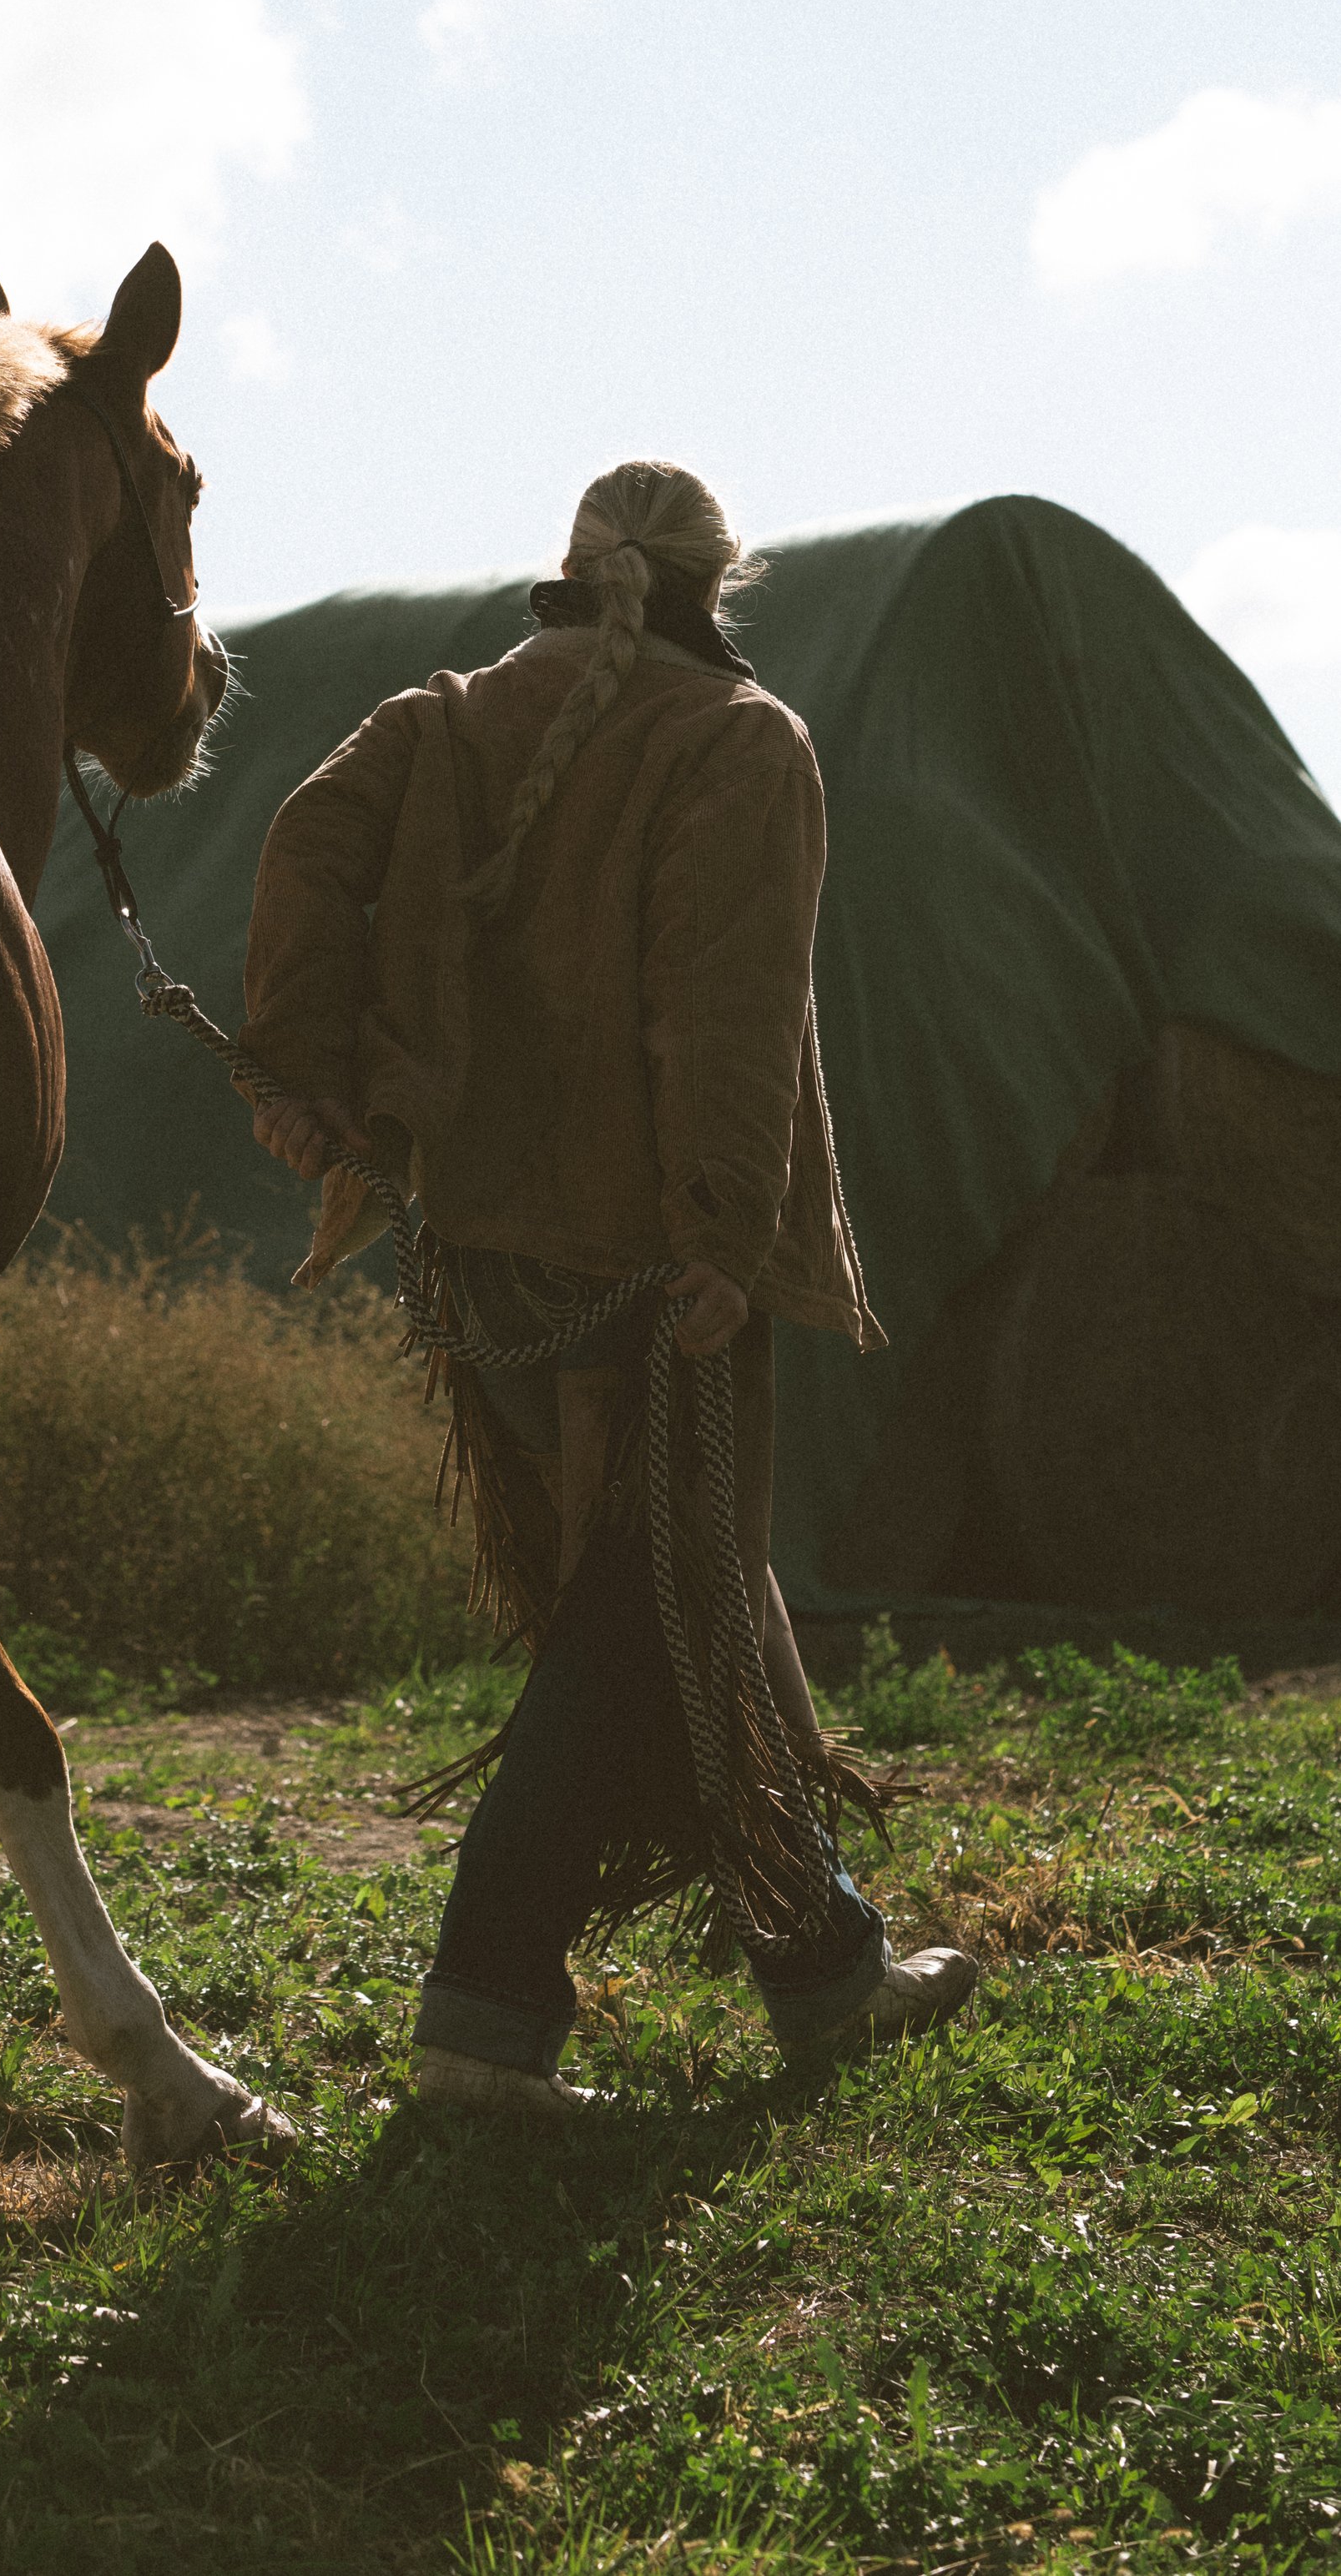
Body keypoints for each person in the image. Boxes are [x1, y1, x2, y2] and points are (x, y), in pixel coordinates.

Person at [236, 460, 976, 2116]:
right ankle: (481, 2032)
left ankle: (824, 1970)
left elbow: (302, 843)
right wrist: (720, 1232)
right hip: (648, 1279)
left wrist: (295, 1059)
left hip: (490, 1263)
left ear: (566, 576)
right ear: (722, 583)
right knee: (632, 1631)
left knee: (682, 1602)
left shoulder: (433, 719)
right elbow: (716, 1010)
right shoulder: (736, 741)